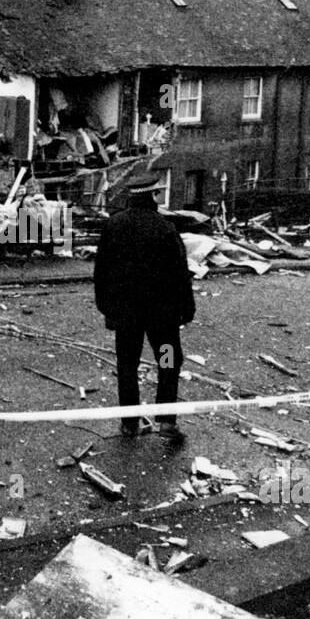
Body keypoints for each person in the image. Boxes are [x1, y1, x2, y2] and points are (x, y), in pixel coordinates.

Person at [93, 171, 195, 442]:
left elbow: (101, 272)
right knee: (168, 362)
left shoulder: (114, 226)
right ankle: (166, 421)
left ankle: (129, 423)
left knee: (127, 364)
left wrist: (107, 308)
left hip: (126, 315)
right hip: (162, 316)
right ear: (152, 195)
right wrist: (187, 309)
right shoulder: (165, 228)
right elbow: (179, 274)